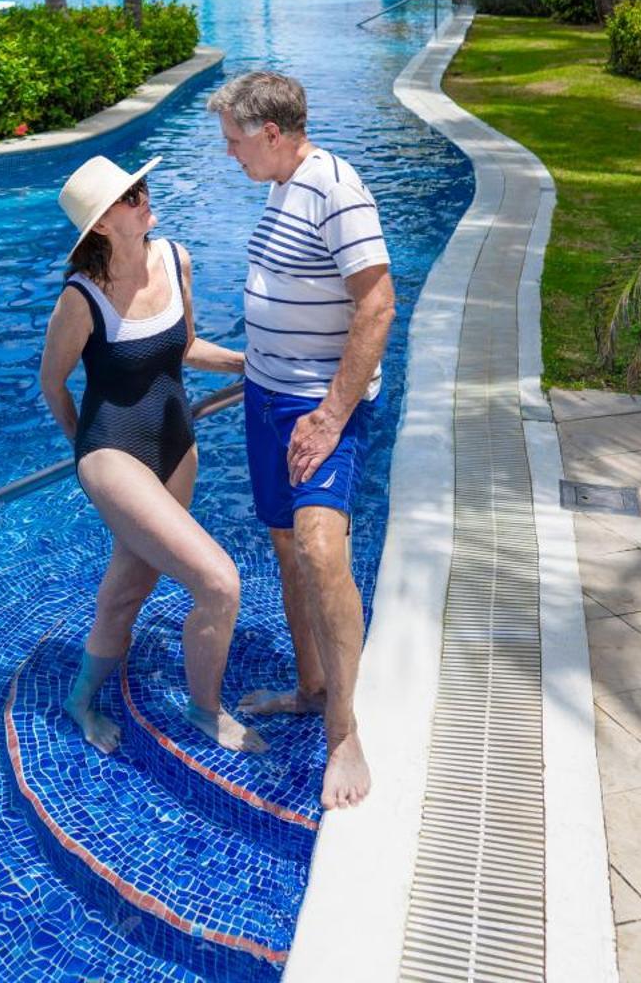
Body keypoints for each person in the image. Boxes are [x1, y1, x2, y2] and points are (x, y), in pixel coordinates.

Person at [207, 71, 395, 812]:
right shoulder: (284, 187)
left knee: (321, 552)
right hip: (266, 398)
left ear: (272, 134)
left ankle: (344, 731)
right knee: (287, 547)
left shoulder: (336, 190)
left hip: (317, 408)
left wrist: (329, 414)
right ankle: (313, 687)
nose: (228, 154)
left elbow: (376, 305)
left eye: (233, 141)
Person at [39, 152, 262, 757]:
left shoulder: (174, 258)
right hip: (112, 451)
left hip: (176, 441)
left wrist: (254, 364)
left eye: (140, 187)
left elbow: (186, 346)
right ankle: (204, 710)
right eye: (129, 196)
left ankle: (80, 698)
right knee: (218, 582)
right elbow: (53, 382)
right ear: (103, 224)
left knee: (129, 588)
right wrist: (87, 458)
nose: (143, 198)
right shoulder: (81, 299)